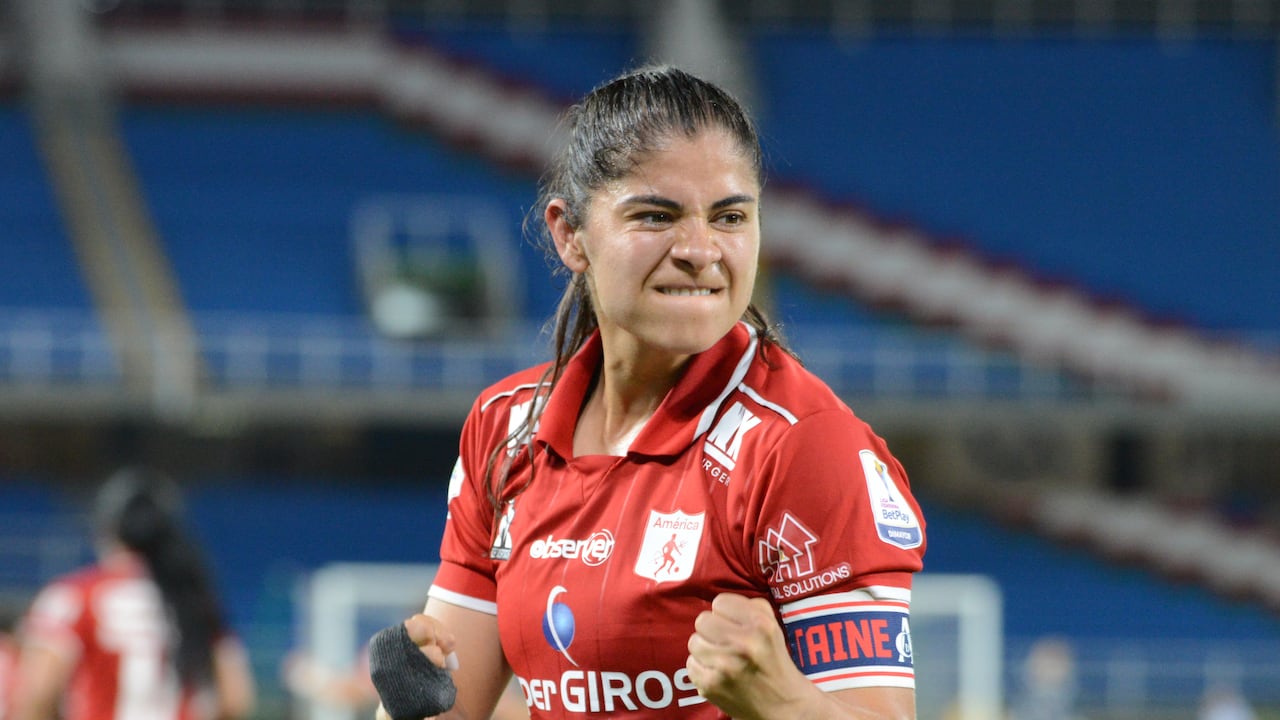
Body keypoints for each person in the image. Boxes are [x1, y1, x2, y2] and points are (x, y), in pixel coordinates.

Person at [381, 64, 927, 720]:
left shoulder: (802, 446)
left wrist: (780, 702)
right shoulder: (506, 427)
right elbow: (452, 710)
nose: (700, 249)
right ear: (569, 235)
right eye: (656, 215)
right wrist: (413, 697)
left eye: (729, 216)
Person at [10, 468, 256, 720]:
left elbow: (38, 694)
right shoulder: (193, 599)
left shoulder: (73, 597)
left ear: (107, 527)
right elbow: (234, 699)